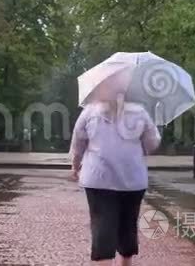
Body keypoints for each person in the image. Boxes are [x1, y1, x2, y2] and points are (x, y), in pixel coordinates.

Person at [69, 94, 161, 266]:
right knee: (127, 231)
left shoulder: (90, 111)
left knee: (102, 230)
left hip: (98, 179)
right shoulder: (140, 112)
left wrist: (75, 166)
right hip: (132, 179)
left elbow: (78, 144)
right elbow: (152, 143)